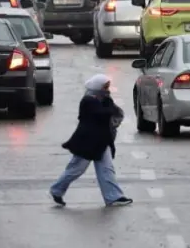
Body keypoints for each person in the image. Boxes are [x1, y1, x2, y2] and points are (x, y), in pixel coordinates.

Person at [50, 74, 133, 206]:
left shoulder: (105, 99)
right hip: (87, 143)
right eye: (105, 87)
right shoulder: (88, 101)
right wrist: (109, 108)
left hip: (101, 142)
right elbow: (102, 114)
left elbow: (113, 112)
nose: (107, 89)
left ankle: (113, 196)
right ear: (97, 86)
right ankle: (57, 190)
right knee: (76, 169)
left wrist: (109, 107)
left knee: (107, 170)